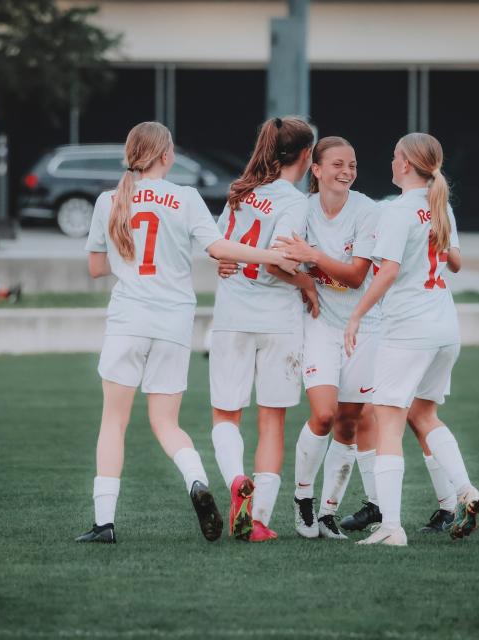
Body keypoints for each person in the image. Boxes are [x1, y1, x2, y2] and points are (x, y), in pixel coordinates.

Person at [76, 121, 299, 544]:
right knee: (166, 422)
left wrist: (128, 261)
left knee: (114, 423)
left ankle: (104, 523)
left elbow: (95, 267)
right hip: (173, 322)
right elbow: (219, 249)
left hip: (128, 320)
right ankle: (196, 481)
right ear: (167, 156)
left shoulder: (109, 200)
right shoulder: (186, 198)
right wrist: (271, 255)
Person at [342, 132, 479, 547]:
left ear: (405, 164)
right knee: (424, 416)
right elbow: (455, 263)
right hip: (444, 329)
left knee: (387, 421)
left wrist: (356, 315)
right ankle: (465, 490)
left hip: (409, 331)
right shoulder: (440, 206)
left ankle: (391, 528)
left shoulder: (398, 210)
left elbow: (385, 273)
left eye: (393, 157)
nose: (390, 164)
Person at [209, 116, 317, 543]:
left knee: (226, 414)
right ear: (307, 155)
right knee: (272, 421)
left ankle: (237, 479)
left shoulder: (241, 191)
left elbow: (221, 249)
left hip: (232, 316)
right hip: (278, 321)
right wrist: (308, 280)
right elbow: (281, 261)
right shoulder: (294, 202)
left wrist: (225, 262)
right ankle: (256, 521)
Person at [270, 136, 381, 540]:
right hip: (319, 325)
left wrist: (312, 257)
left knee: (350, 422)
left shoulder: (368, 210)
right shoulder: (301, 210)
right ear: (316, 170)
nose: (346, 171)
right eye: (337, 164)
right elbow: (276, 260)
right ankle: (303, 501)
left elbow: (355, 276)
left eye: (351, 164)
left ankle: (329, 514)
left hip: (363, 326)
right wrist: (303, 279)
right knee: (323, 414)